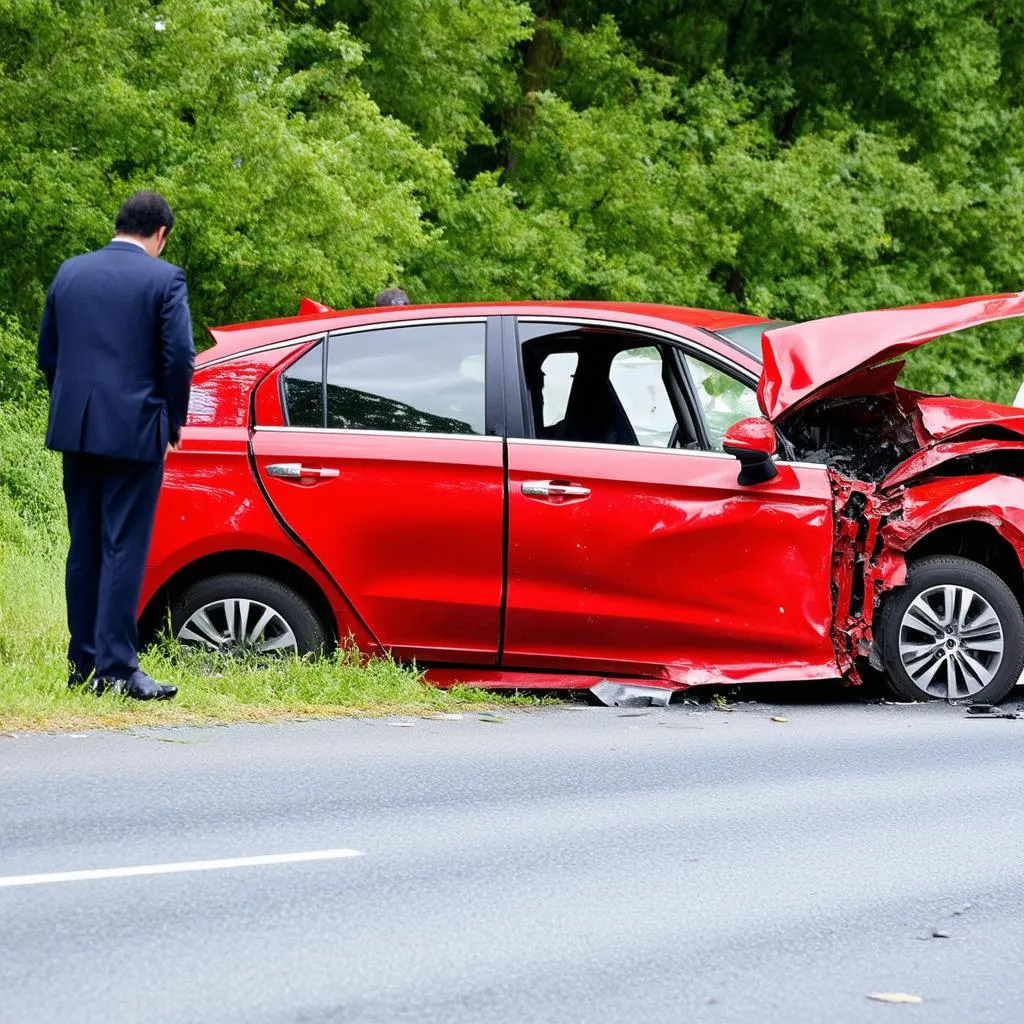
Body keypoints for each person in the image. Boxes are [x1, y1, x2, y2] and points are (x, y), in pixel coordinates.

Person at [37, 191, 195, 701]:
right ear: (161, 234)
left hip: (76, 429)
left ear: (119, 224)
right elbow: (179, 359)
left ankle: (81, 665)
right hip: (135, 430)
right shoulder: (163, 278)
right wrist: (170, 423)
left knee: (83, 548)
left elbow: (49, 355)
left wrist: (72, 406)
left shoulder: (70, 273)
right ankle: (118, 668)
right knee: (123, 546)